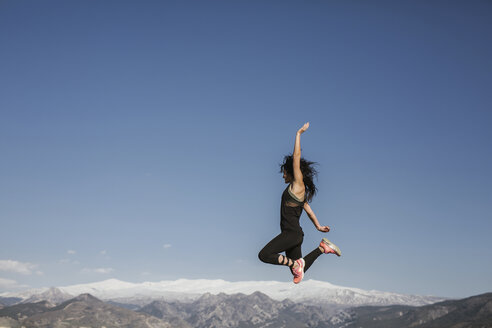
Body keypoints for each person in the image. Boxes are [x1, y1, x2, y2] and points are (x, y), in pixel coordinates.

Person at [258, 122, 341, 284]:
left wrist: (298, 134)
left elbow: (296, 157)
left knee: (264, 255)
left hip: (291, 234)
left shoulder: (298, 185)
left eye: (284, 173)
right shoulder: (298, 194)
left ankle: (295, 263)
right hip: (295, 235)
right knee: (297, 272)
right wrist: (318, 226)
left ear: (290, 172)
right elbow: (308, 210)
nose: (283, 176)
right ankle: (322, 248)